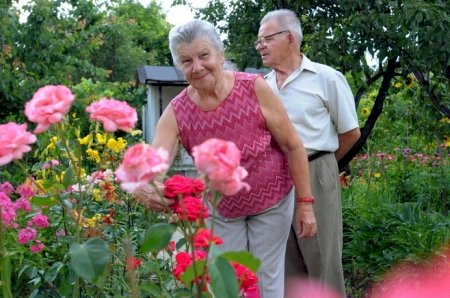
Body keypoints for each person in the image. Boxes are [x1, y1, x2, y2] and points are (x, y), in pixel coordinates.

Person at [135, 19, 317, 298]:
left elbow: (293, 145)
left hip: (271, 201)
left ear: (221, 54)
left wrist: (305, 204)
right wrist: (146, 185)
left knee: (265, 280)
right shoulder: (177, 112)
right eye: (186, 60)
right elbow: (153, 164)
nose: (197, 67)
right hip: (222, 210)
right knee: (227, 283)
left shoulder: (253, 88)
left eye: (204, 55)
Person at [256, 9, 361, 297]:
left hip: (317, 170)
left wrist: (323, 166)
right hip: (274, 178)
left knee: (322, 259)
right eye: (258, 41)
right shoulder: (261, 86)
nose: (260, 46)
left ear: (290, 38)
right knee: (284, 260)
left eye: (266, 39)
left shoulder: (326, 78)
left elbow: (351, 132)